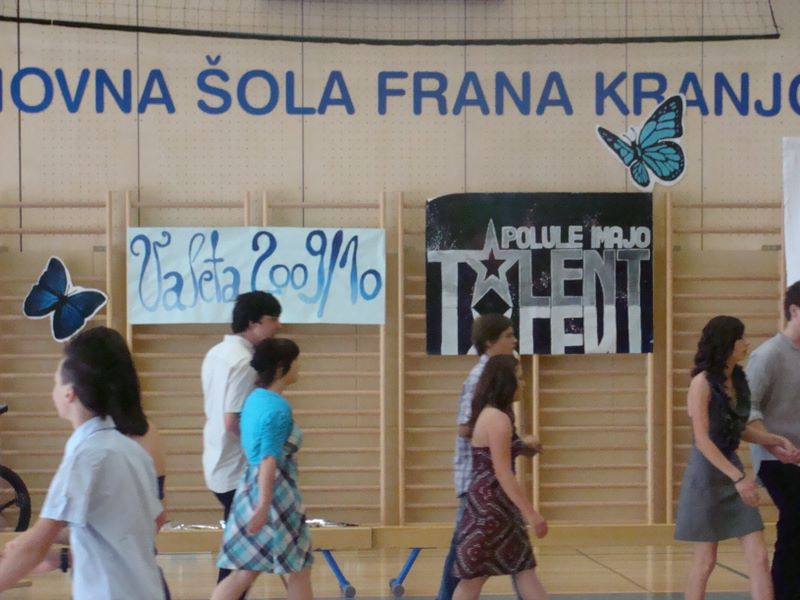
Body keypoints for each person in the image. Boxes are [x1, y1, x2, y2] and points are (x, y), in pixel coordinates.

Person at [0, 326, 165, 599]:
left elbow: (34, 548)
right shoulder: (131, 451)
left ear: (70, 393)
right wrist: (58, 554)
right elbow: (120, 529)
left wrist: (31, 544)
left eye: (55, 382)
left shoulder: (86, 458)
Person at [674, 316, 797, 600]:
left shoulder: (738, 379)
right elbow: (703, 440)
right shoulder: (701, 383)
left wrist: (773, 440)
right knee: (705, 561)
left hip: (733, 470)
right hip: (706, 476)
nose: (746, 343)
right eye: (740, 338)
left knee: (759, 556)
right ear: (726, 343)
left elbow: (738, 428)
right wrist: (739, 478)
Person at [437, 314, 539, 600]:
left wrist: (513, 444)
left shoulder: (499, 375)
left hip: (494, 487)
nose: (514, 340)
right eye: (508, 335)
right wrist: (507, 441)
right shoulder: (483, 380)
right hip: (481, 485)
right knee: (466, 564)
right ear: (489, 342)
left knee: (516, 565)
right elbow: (465, 427)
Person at [211, 338, 314, 600]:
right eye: (294, 362)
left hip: (249, 488)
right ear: (281, 368)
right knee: (299, 567)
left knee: (245, 572)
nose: (298, 367)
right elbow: (269, 458)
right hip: (275, 493)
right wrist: (265, 505)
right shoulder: (277, 409)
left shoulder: (254, 399)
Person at [202, 291, 282, 590]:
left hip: (217, 459)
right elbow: (232, 420)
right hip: (236, 467)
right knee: (241, 561)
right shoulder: (244, 362)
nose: (278, 326)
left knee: (241, 555)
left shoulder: (216, 353)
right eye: (272, 319)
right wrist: (263, 452)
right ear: (252, 323)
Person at [452, 354, 548, 600]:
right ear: (506, 381)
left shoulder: (494, 415)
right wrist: (531, 513)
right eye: (519, 378)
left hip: (494, 507)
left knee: (523, 570)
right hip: (491, 509)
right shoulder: (497, 418)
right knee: (474, 578)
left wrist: (524, 445)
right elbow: (503, 472)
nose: (522, 384)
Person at [745, 282, 800, 600]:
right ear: (794, 310)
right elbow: (747, 409)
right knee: (794, 521)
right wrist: (772, 444)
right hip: (775, 460)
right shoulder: (768, 355)